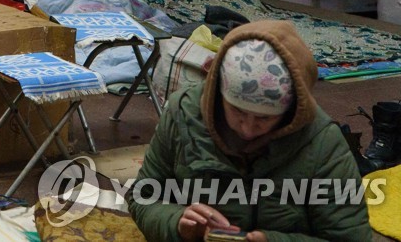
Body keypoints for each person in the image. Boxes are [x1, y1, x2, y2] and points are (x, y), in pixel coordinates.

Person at [128, 20, 370, 242]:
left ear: (291, 110)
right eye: (237, 111)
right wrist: (177, 223)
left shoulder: (321, 142)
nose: (248, 128)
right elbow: (143, 196)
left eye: (264, 118)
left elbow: (349, 237)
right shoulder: (183, 114)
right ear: (218, 93)